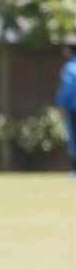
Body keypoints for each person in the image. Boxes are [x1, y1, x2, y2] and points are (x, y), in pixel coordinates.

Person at [55, 41, 76, 177]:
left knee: (73, 139)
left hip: (73, 108)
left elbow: (67, 87)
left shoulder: (69, 67)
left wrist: (61, 104)